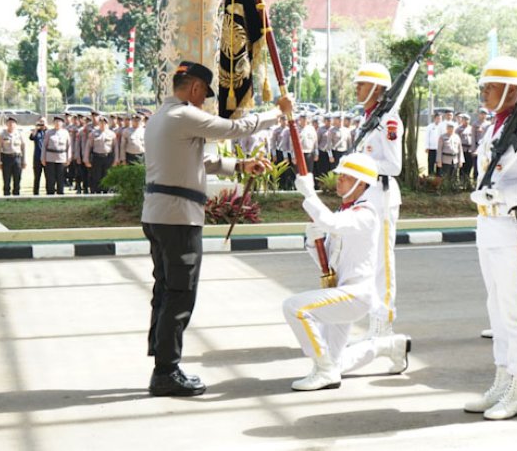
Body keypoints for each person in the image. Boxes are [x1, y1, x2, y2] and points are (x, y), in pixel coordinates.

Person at [142, 61, 292, 396]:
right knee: (180, 294)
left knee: (166, 291)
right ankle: (166, 371)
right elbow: (232, 129)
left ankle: (162, 359)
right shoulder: (183, 115)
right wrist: (275, 113)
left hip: (160, 215)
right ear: (194, 87)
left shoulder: (162, 117)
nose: (203, 102)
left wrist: (239, 165)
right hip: (177, 217)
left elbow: (201, 161)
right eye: (203, 95)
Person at [464, 56, 517, 420]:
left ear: (513, 91)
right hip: (491, 229)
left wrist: (500, 197)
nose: (484, 92)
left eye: (490, 86)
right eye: (483, 86)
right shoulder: (497, 127)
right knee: (497, 311)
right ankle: (501, 380)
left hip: (516, 229)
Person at [283, 154, 411, 391]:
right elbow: (330, 263)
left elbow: (331, 223)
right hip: (339, 292)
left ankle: (324, 371)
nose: (339, 180)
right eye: (339, 175)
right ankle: (389, 346)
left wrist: (309, 195)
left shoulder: (367, 213)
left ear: (361, 183)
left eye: (346, 177)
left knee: (294, 308)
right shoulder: (345, 211)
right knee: (337, 361)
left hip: (355, 295)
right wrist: (313, 243)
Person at [351, 62, 403, 338]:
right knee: (367, 262)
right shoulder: (368, 118)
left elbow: (394, 166)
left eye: (361, 84)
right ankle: (372, 318)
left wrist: (359, 164)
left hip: (381, 197)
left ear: (376, 89)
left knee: (382, 263)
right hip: (366, 197)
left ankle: (383, 321)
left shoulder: (389, 121)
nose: (357, 88)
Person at [84, 115, 116, 193]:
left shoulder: (112, 134)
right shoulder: (93, 133)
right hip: (96, 157)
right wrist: (86, 159)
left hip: (108, 157)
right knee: (96, 176)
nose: (102, 124)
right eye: (101, 122)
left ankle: (106, 191)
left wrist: (116, 159)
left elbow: (115, 148)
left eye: (104, 123)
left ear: (107, 124)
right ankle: (96, 191)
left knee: (106, 175)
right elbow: (88, 147)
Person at [0, 115, 26, 196]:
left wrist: (24, 161)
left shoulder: (19, 134)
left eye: (13, 123)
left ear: (16, 125)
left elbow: (23, 148)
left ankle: (16, 196)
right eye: (9, 123)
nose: (11, 125)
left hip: (17, 158)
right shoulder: (2, 135)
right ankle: (6, 196)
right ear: (6, 124)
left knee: (17, 178)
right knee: (6, 179)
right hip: (6, 158)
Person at [42, 115, 72, 195]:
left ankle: (60, 193)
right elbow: (44, 146)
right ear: (53, 123)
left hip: (61, 158)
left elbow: (69, 146)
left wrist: (68, 158)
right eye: (56, 122)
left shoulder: (65, 133)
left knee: (61, 177)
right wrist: (43, 158)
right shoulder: (49, 133)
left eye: (59, 122)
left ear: (62, 123)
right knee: (50, 178)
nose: (57, 123)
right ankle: (50, 193)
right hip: (50, 158)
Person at [28, 117, 47, 195]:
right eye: (40, 122)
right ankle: (35, 193)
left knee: (48, 177)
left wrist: (46, 127)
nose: (42, 124)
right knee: (37, 177)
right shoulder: (36, 132)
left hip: (47, 157)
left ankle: (49, 192)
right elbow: (31, 137)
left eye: (43, 122)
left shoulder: (49, 132)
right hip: (37, 157)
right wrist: (36, 128)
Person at [457, 113, 475, 184]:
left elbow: (473, 139)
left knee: (469, 165)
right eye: (464, 119)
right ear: (462, 120)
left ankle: (467, 181)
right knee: (462, 166)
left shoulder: (471, 128)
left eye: (467, 120)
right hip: (462, 149)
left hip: (470, 149)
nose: (466, 121)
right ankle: (461, 181)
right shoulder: (458, 129)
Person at [424, 112, 442, 176]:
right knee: (431, 164)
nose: (439, 120)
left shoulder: (442, 127)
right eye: (437, 118)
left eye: (440, 118)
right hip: (431, 148)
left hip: (440, 149)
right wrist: (427, 147)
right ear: (434, 118)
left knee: (439, 165)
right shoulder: (430, 126)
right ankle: (430, 177)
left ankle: (438, 178)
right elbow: (426, 137)